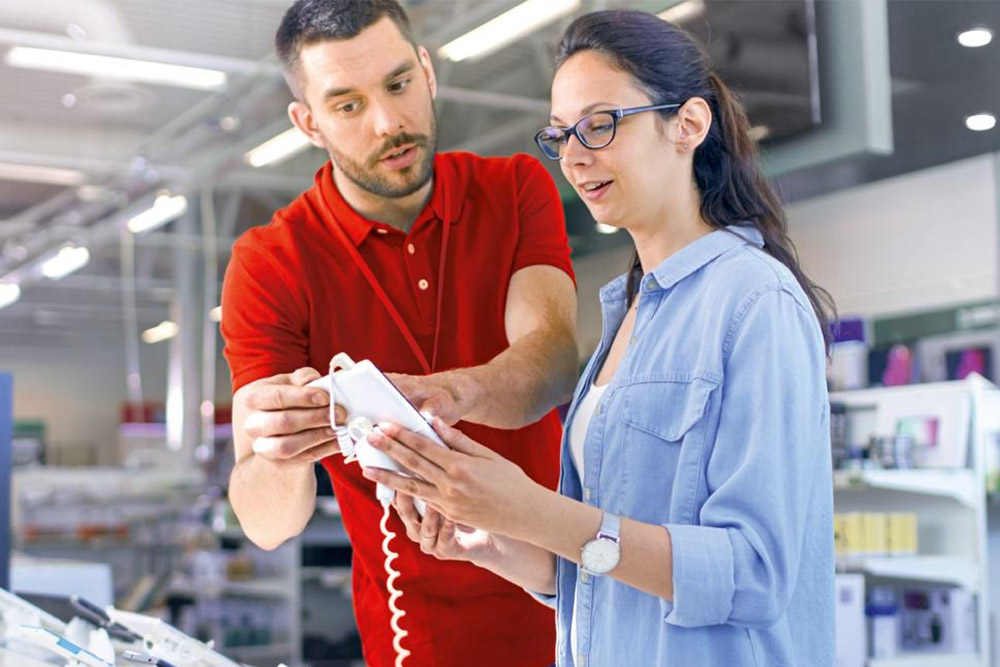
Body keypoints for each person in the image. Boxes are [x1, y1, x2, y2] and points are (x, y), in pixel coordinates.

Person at [364, 9, 837, 667]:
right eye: (560, 135)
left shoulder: (755, 300)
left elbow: (753, 570)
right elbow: (604, 569)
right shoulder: (628, 311)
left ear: (688, 125)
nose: (575, 157)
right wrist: (492, 532)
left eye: (600, 124)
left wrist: (534, 510)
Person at [219, 1, 579, 666]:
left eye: (397, 84)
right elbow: (268, 525)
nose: (389, 122)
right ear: (308, 122)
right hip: (416, 633)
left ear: (428, 70)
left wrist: (440, 397)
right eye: (348, 105)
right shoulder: (271, 262)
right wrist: (281, 449)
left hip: (571, 597)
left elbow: (552, 362)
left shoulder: (515, 188)